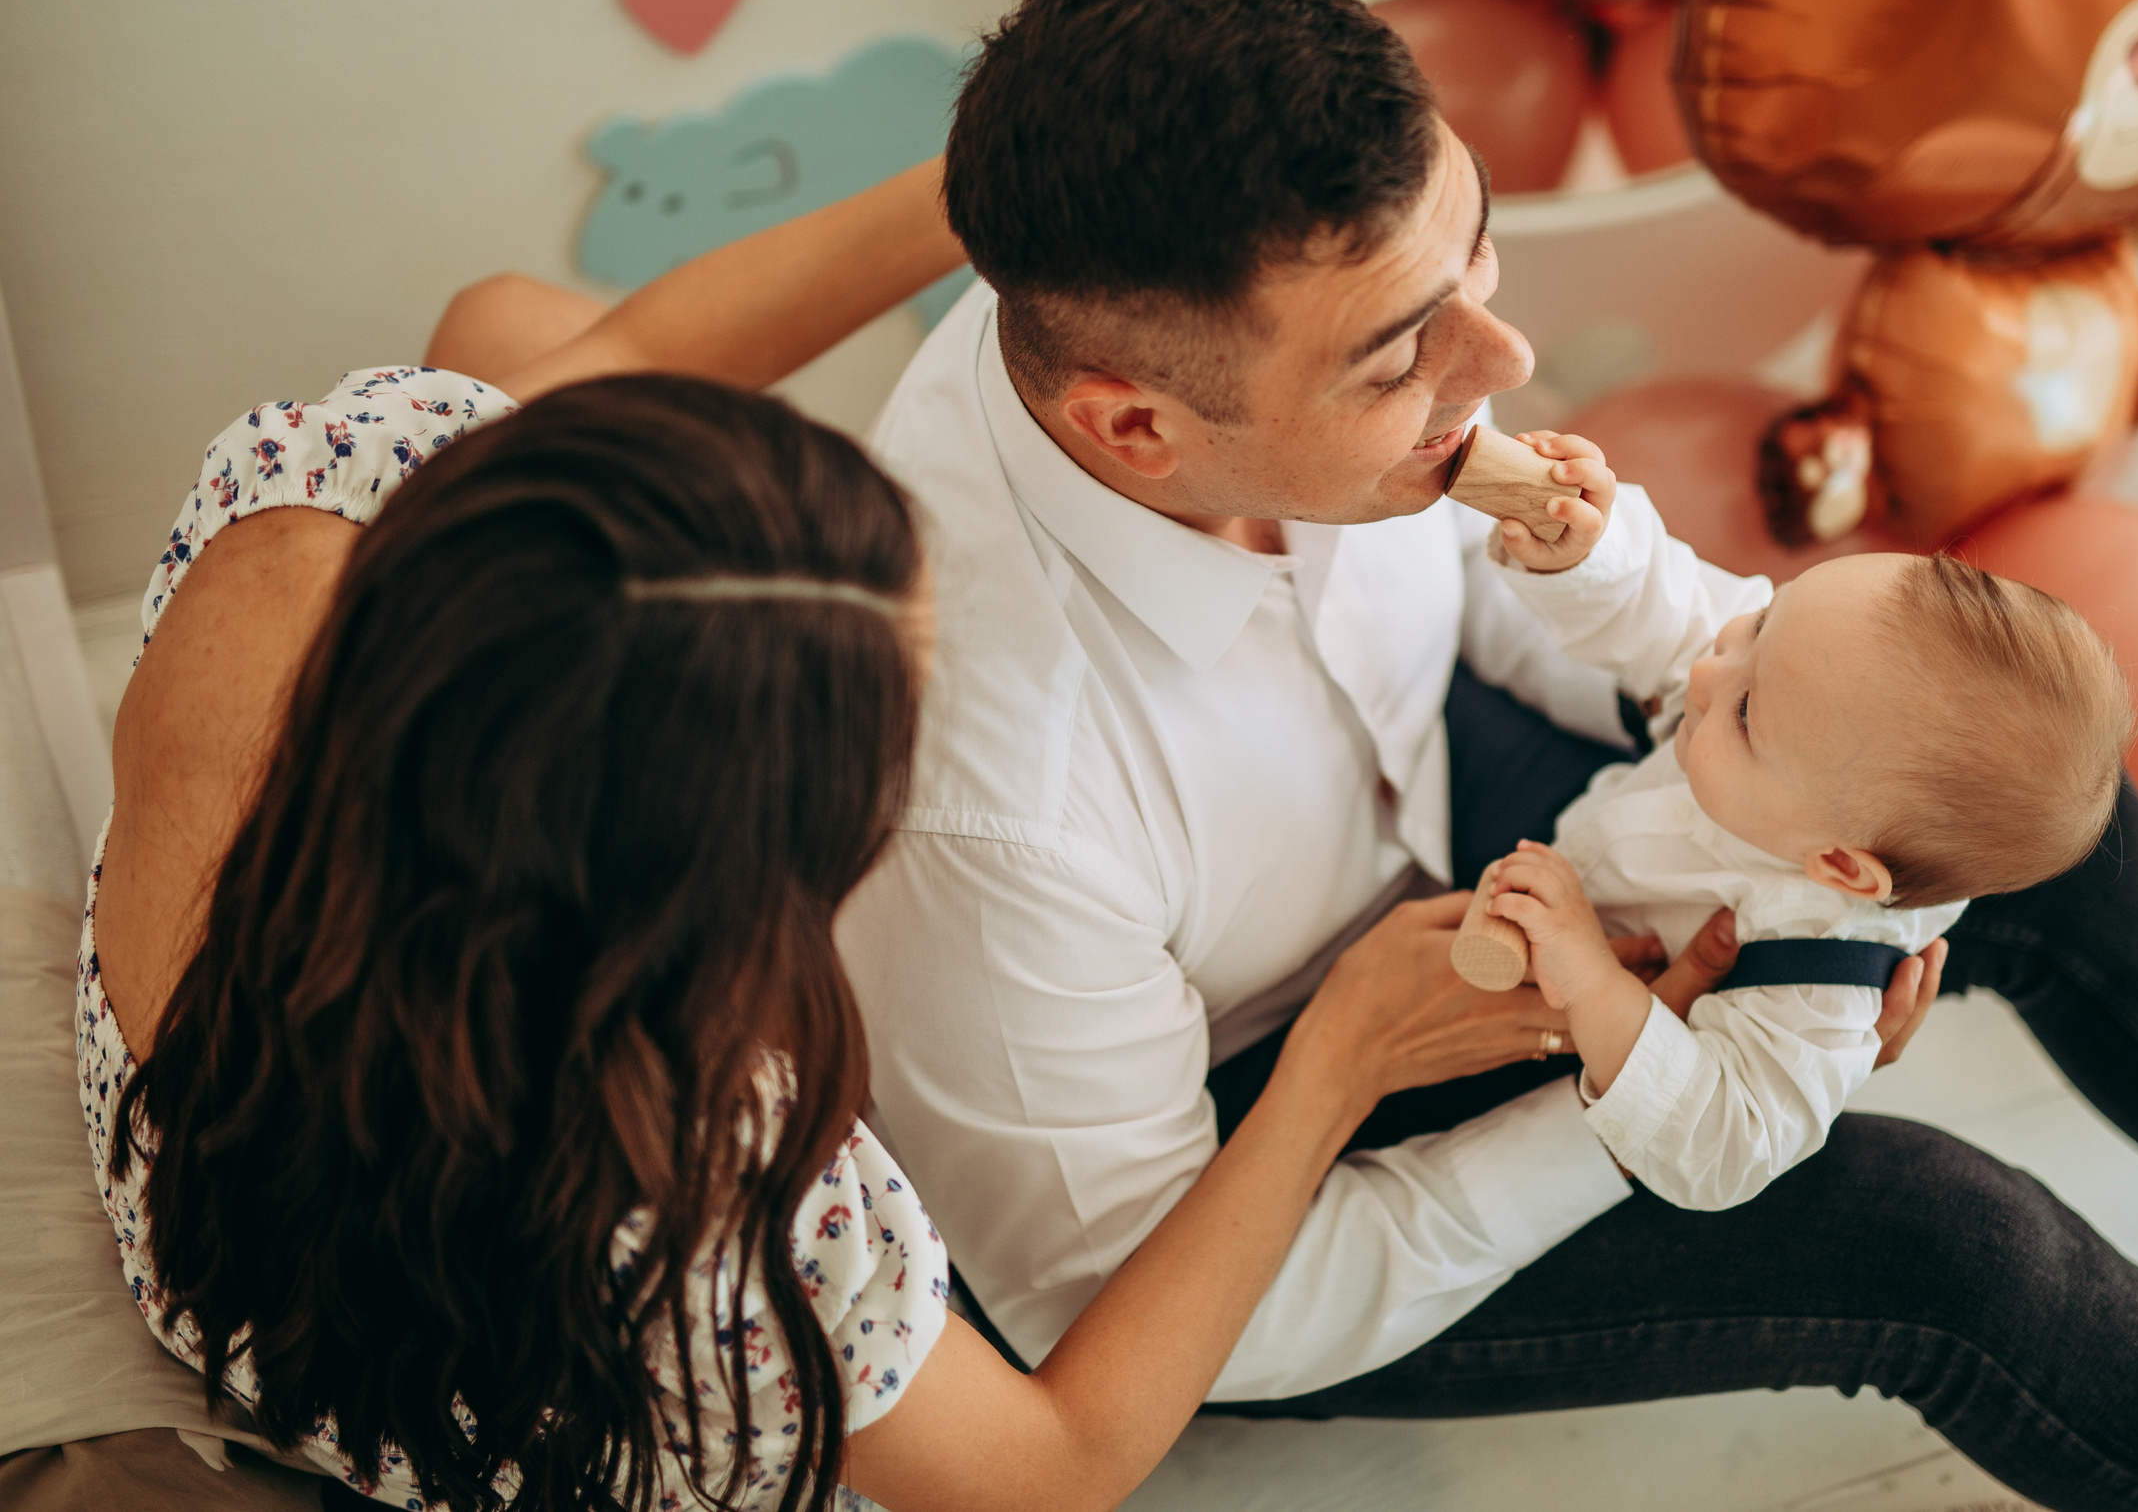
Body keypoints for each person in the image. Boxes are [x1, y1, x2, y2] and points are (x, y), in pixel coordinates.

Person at [841, 0, 2138, 1509]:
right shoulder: (995, 813)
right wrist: (1617, 1084)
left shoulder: (1298, 373)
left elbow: (1519, 612)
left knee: (2006, 776)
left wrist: (1828, 783)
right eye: (1399, 355)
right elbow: (1134, 1308)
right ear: (1134, 430)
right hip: (1264, 1151)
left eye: (1477, 248)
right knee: (1950, 1249)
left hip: (1458, 807)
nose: (1503, 362)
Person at [72, 162, 1558, 1512]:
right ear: (703, 887)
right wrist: (1333, 1064)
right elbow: (1053, 1465)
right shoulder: (709, 1184)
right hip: (451, 1377)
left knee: (504, 320)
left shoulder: (311, 510)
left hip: (232, 1140)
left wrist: (1003, 185)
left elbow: (612, 362)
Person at [1465, 437, 2133, 1211]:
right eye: (1763, 618)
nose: (1712, 667)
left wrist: (1590, 980)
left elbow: (1723, 1148)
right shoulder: (1803, 687)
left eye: (1746, 712)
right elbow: (1678, 609)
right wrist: (1589, 549)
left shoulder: (1817, 986)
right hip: (1570, 840)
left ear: (1842, 867)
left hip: (1564, 1046)